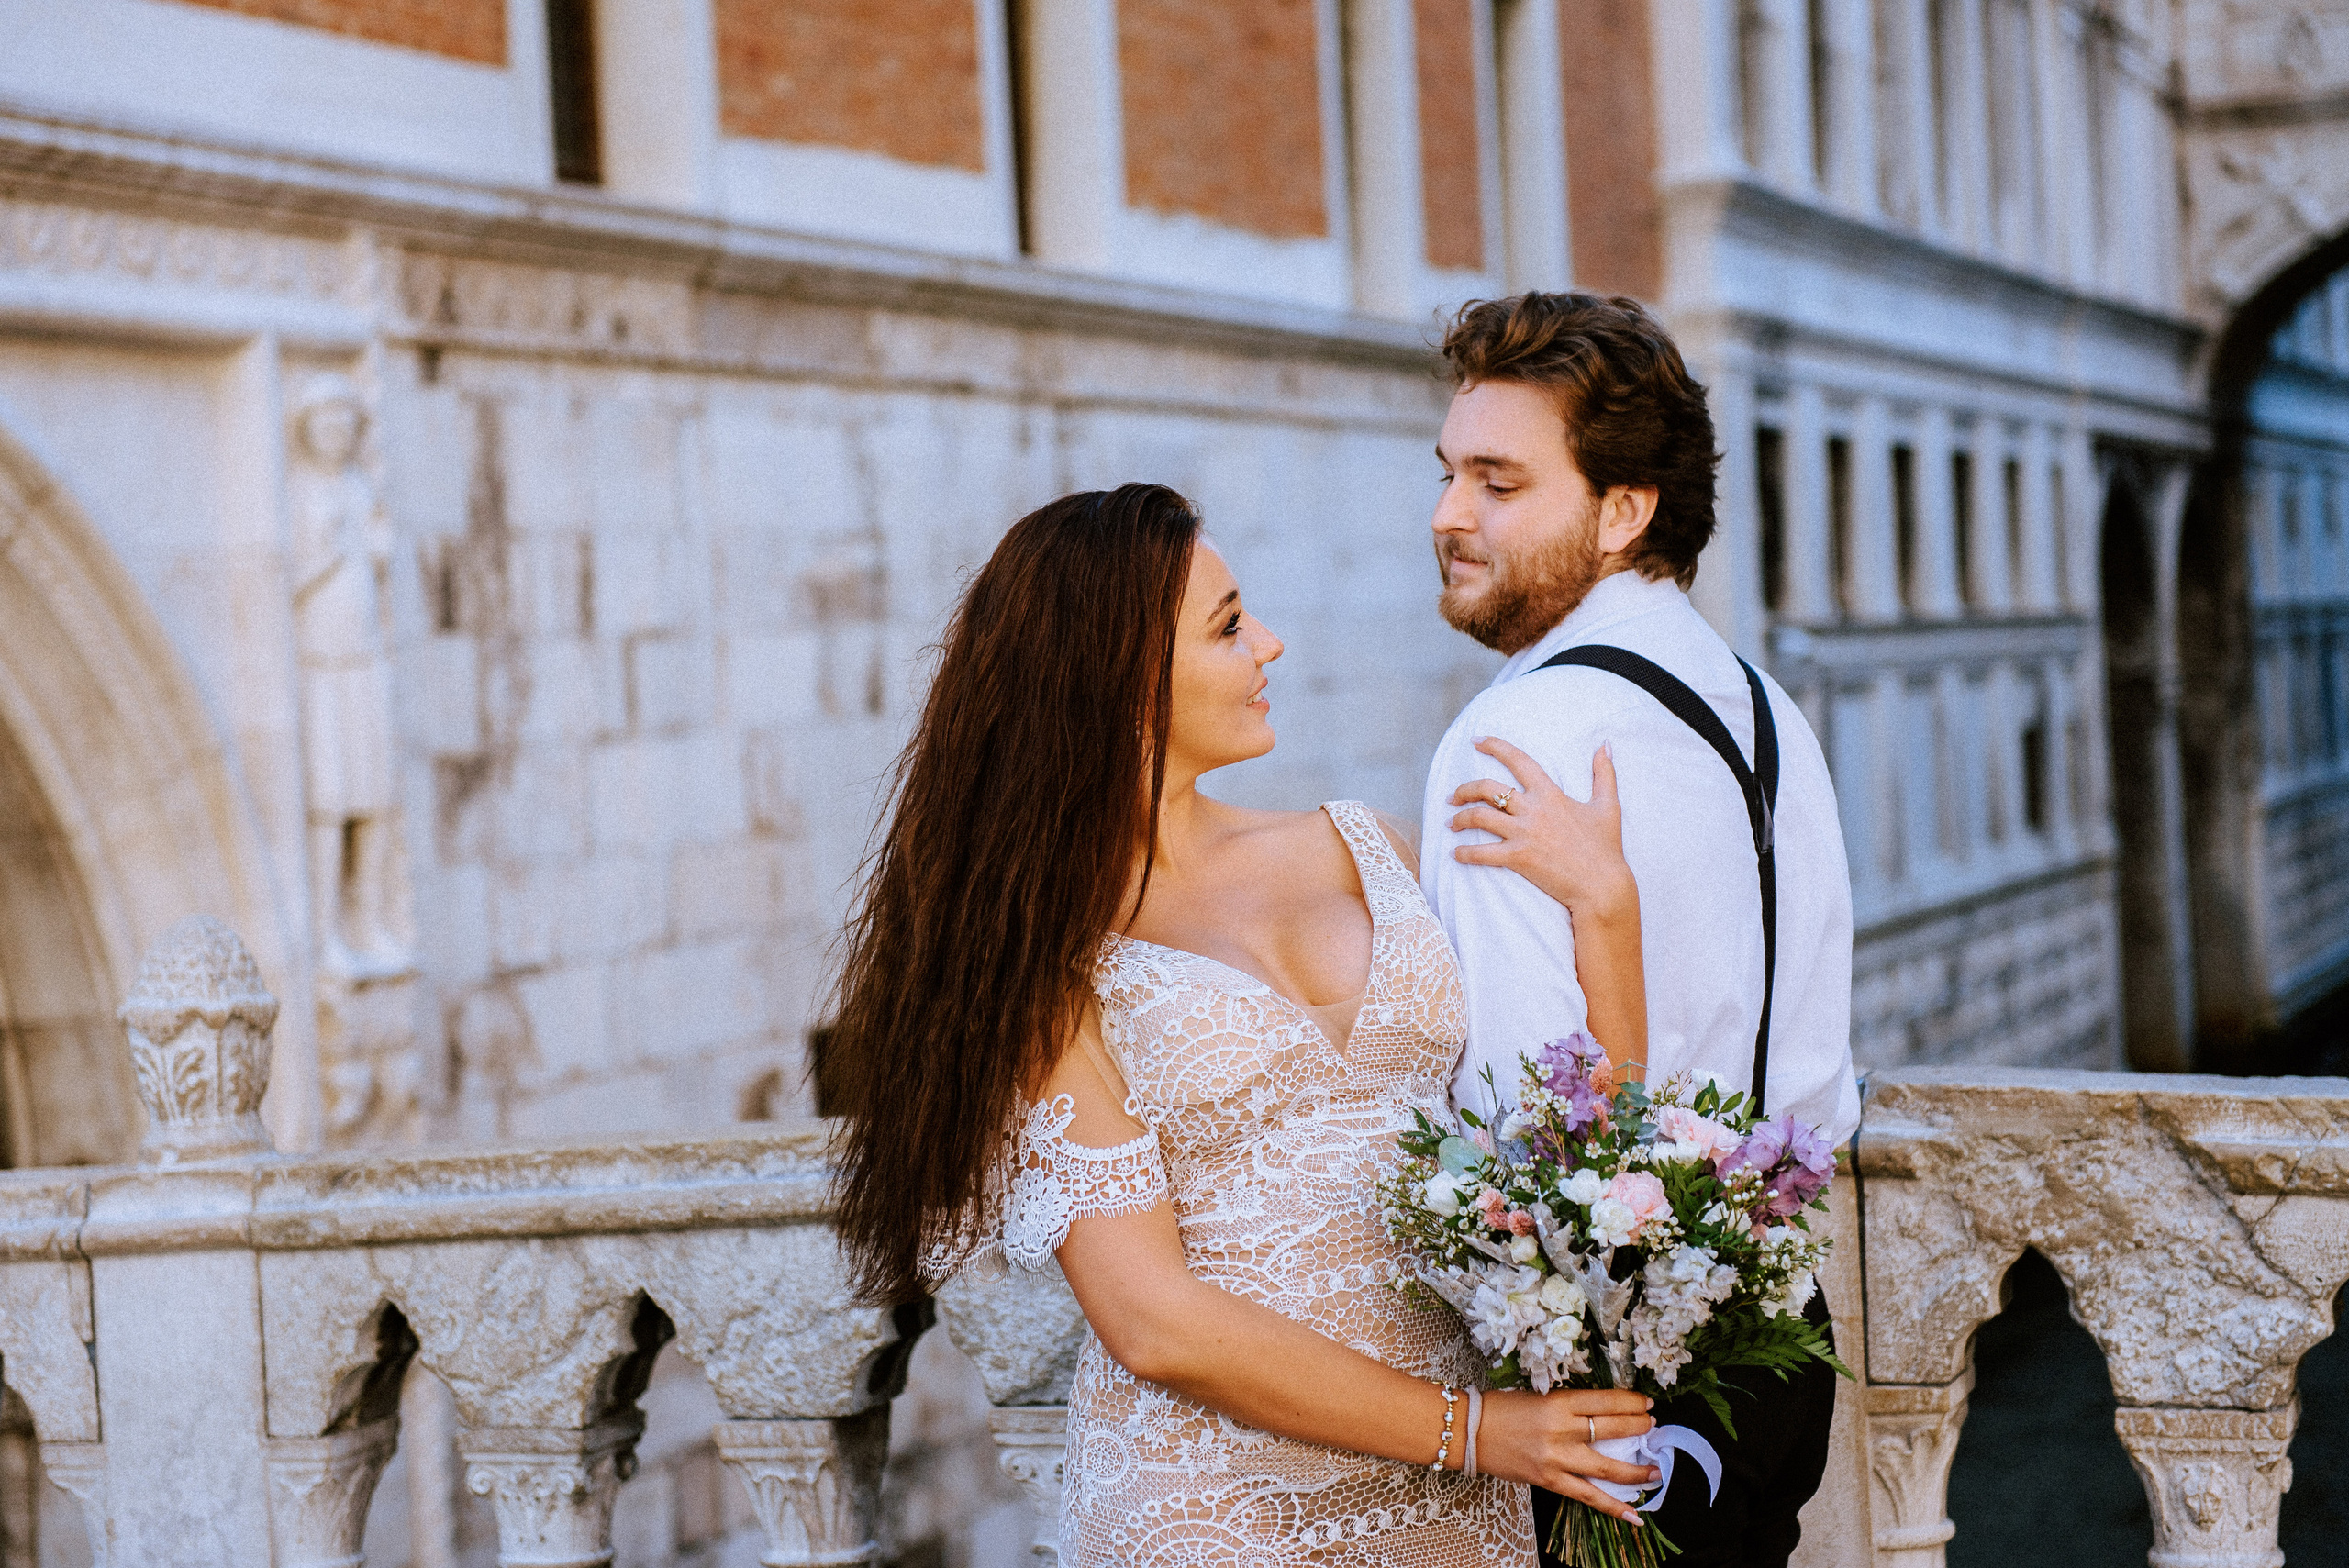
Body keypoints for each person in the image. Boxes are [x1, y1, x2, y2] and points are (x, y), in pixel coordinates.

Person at [830, 484, 1663, 1567]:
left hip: (1460, 1497)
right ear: (1120, 676)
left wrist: (1606, 907)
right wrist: (1474, 1432)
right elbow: (1152, 1320)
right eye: (1227, 626)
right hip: (1217, 1503)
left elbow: (1585, 1138)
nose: (1269, 642)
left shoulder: (1370, 847)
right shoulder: (1041, 958)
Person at [1418, 292, 1863, 1568]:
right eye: (1449, 474)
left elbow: (1518, 1126)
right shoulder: (1770, 711)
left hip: (1599, 1402)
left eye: (1499, 482)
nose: (1449, 516)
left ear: (1623, 511)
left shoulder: (1520, 743)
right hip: (1780, 1360)